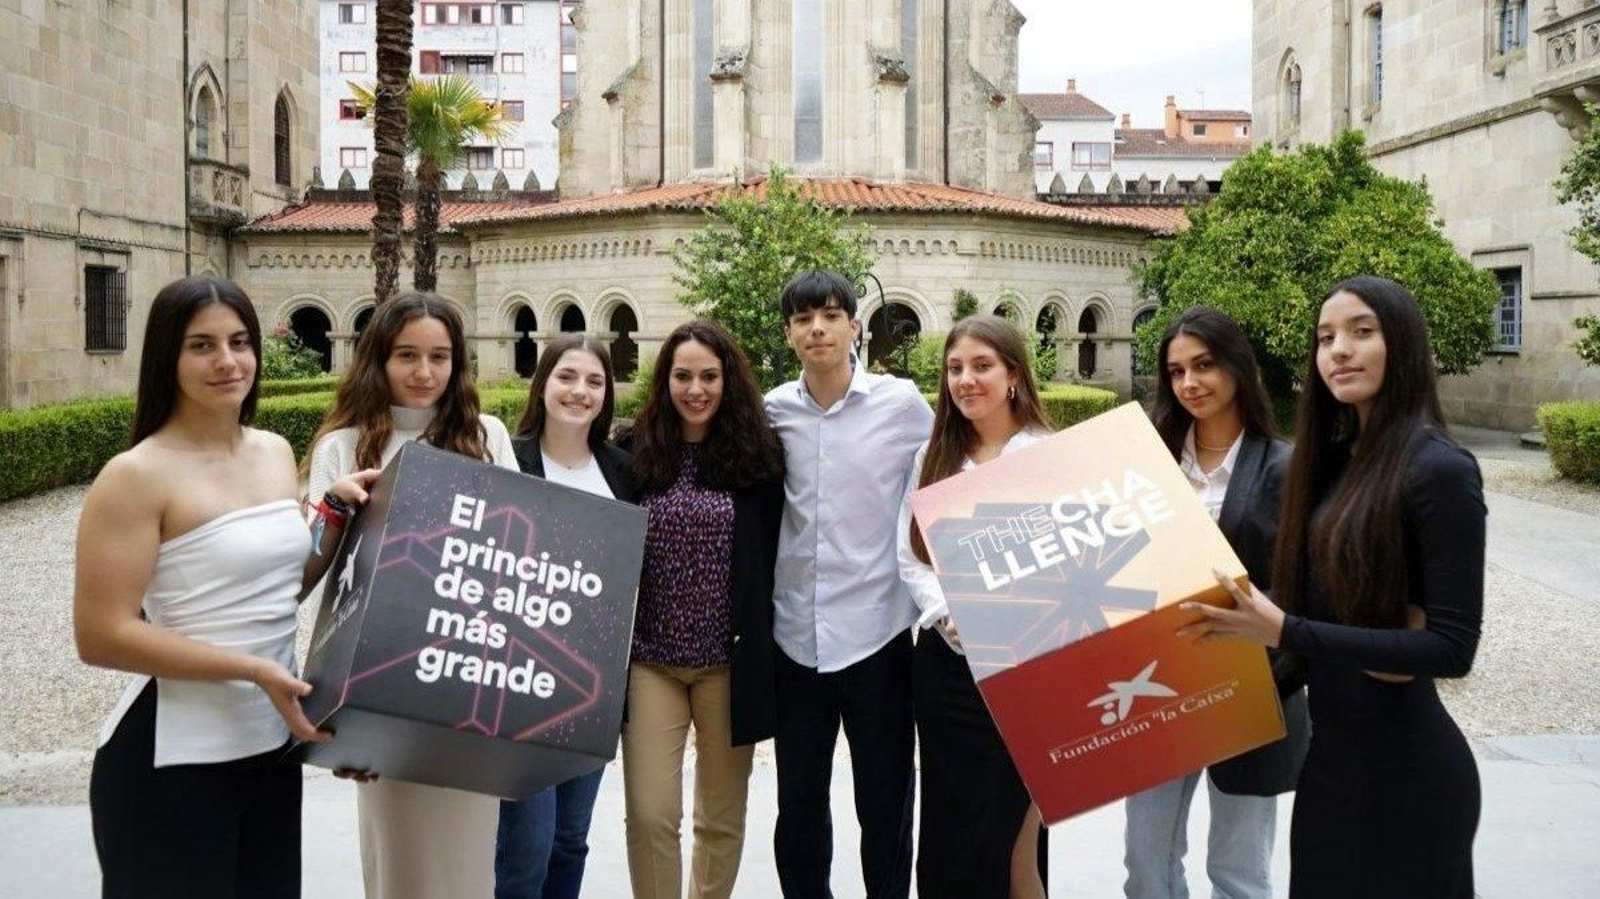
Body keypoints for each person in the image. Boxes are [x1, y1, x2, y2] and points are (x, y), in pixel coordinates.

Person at [1180, 276, 1485, 898]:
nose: (1339, 350)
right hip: (1331, 769)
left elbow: (1451, 649)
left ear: (1401, 342)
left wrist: (1284, 629)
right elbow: (1320, 615)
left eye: (1360, 332)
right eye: (1325, 338)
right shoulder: (1334, 465)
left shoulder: (1441, 470)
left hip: (1411, 775)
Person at [76, 275, 377, 899]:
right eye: (202, 345)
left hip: (269, 751)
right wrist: (255, 671)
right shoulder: (134, 475)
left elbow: (275, 590)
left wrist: (334, 514)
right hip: (171, 762)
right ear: (167, 356)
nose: (228, 361)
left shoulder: (270, 451)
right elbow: (101, 636)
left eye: (240, 341)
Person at [305, 292, 519, 899]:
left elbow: (517, 559)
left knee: (470, 865)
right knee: (398, 862)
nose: (424, 373)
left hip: (468, 678)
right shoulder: (341, 448)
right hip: (380, 684)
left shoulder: (487, 436)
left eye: (440, 357)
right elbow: (307, 571)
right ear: (379, 359)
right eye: (407, 355)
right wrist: (334, 507)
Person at [1124, 307, 1309, 899]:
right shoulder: (1142, 463)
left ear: (1236, 367)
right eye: (1176, 371)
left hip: (1250, 688)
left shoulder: (1285, 467)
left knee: (1238, 873)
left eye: (1203, 365)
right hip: (1157, 684)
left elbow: (1305, 589)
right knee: (1146, 869)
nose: (1189, 383)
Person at [764, 270, 933, 899]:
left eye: (831, 316)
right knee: (799, 807)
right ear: (789, 334)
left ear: (854, 326)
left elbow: (954, 471)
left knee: (886, 802)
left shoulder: (902, 405)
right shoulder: (774, 410)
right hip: (796, 638)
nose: (817, 329)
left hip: (878, 635)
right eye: (804, 319)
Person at [620, 319, 786, 899]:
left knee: (718, 819)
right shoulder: (632, 455)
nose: (696, 388)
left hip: (728, 665)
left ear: (729, 381)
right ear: (665, 380)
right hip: (650, 662)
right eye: (683, 375)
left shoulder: (760, 461)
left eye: (709, 376)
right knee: (649, 815)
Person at [895, 315, 1050, 899]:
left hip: (1031, 674)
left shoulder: (1051, 455)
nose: (966, 379)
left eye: (982, 366)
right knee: (951, 831)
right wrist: (946, 614)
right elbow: (908, 557)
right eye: (955, 368)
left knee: (1016, 842)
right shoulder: (933, 456)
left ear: (1013, 374)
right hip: (949, 673)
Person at [494, 334, 638, 899]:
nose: (580, 392)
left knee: (571, 839)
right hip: (520, 682)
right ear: (543, 383)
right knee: (526, 843)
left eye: (594, 381)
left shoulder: (625, 471)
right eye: (567, 377)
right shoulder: (510, 460)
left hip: (595, 683)